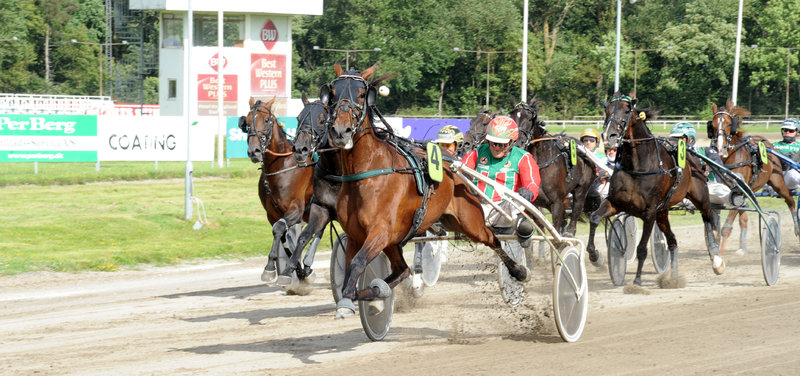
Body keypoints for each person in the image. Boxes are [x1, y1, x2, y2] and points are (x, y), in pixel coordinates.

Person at [461, 116, 541, 247]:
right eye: (493, 143)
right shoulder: (479, 152)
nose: (496, 148)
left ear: (511, 142)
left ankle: (523, 226)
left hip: (506, 210)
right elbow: (462, 169)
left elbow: (532, 183)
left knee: (518, 200)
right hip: (478, 208)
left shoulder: (523, 157)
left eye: (502, 144)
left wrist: (529, 193)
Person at [772, 118, 800, 190]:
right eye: (785, 130)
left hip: (792, 177)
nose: (787, 132)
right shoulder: (773, 145)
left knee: (793, 173)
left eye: (791, 131)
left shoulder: (799, 146)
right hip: (775, 177)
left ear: (797, 132)